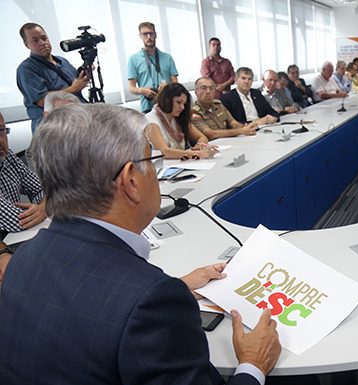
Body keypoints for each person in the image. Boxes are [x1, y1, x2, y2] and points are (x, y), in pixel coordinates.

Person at [0, 103, 281, 384]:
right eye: (151, 162)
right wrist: (253, 363)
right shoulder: (151, 301)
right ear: (131, 181)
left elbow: (88, 304)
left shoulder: (21, 260)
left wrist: (180, 288)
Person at [16, 22, 87, 132]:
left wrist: (86, 69)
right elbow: (43, 101)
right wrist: (74, 88)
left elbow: (76, 81)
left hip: (77, 116)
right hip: (51, 125)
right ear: (26, 44)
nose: (42, 43)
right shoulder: (26, 69)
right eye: (35, 40)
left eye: (44, 38)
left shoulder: (62, 61)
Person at [0, 111, 46, 238]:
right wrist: (44, 207)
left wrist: (44, 207)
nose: (0, 140)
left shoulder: (7, 156)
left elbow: (41, 189)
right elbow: (17, 221)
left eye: (1, 130)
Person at [146, 83, 217, 159]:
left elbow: (202, 137)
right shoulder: (150, 120)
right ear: (166, 100)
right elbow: (164, 152)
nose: (182, 107)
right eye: (178, 102)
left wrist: (199, 146)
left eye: (184, 104)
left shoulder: (178, 117)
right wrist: (197, 153)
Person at [127, 22, 179, 113]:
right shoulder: (133, 59)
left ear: (155, 35)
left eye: (151, 33)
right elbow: (131, 88)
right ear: (140, 36)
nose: (149, 37)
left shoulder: (167, 58)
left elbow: (176, 83)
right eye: (145, 34)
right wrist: (142, 90)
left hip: (168, 105)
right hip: (148, 107)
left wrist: (168, 85)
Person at [191, 77, 256, 140]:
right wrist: (240, 131)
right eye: (203, 88)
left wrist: (247, 128)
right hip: (210, 145)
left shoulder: (218, 105)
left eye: (211, 88)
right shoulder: (194, 112)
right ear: (196, 91)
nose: (208, 91)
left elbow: (232, 122)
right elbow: (211, 134)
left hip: (228, 141)